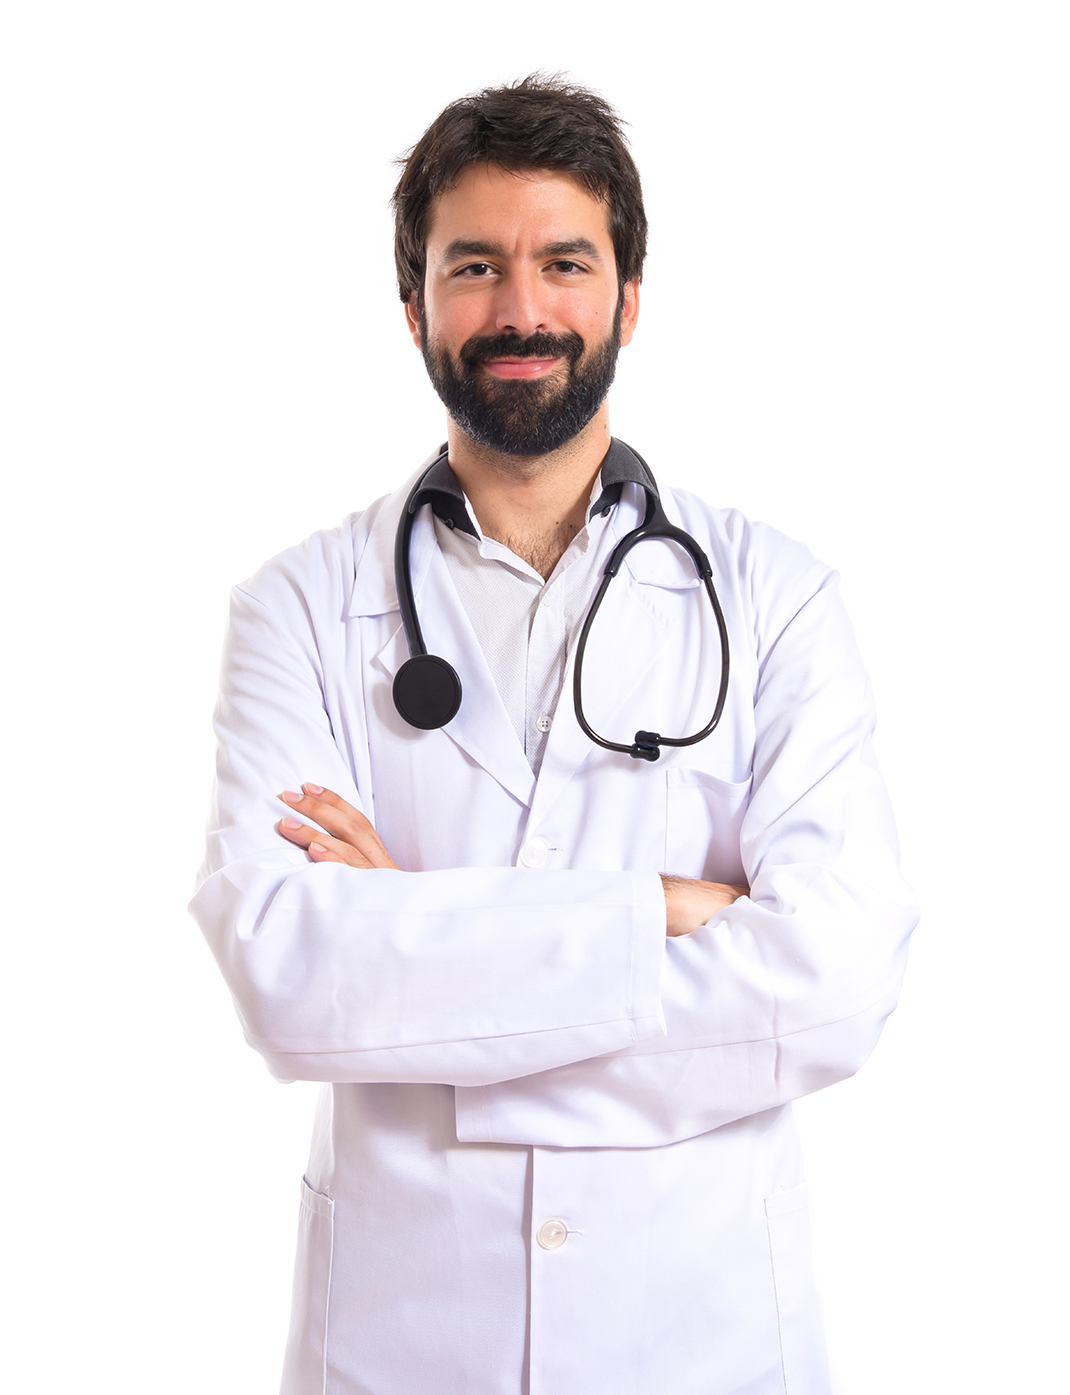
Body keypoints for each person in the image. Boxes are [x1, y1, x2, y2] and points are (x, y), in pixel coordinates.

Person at [191, 76, 918, 1395]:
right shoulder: (297, 607)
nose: (520, 311)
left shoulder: (776, 597)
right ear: (414, 304)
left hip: (702, 1344)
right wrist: (669, 908)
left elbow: (840, 981)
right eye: (474, 266)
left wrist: (422, 955)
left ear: (627, 300)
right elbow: (288, 976)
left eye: (564, 263)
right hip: (409, 1343)